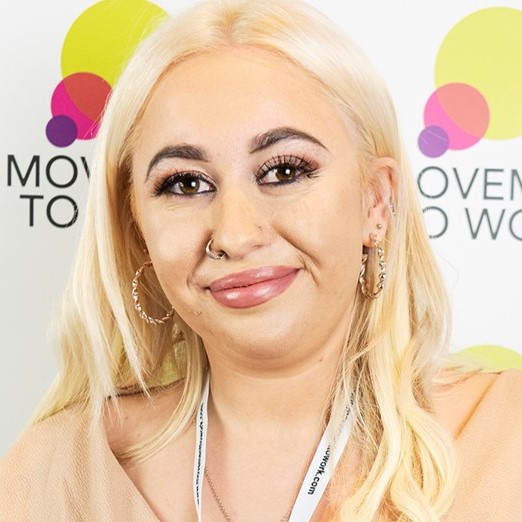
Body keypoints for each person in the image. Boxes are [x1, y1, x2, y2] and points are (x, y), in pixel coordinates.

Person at [1, 0, 521, 520]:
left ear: (375, 202)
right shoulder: (57, 473)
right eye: (185, 183)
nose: (234, 233)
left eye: (283, 171)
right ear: (138, 231)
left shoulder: (506, 433)